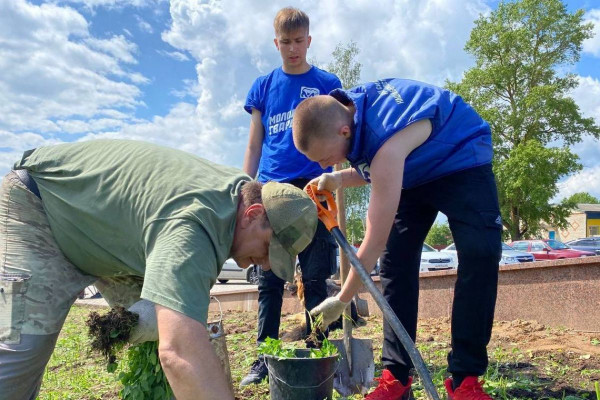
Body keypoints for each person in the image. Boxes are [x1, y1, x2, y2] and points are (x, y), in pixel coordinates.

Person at [0, 139, 318, 400]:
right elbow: (180, 354)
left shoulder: (235, 197)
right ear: (252, 214)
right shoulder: (196, 225)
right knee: (17, 359)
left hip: (108, 239)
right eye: (267, 250)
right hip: (40, 209)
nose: (263, 264)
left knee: (170, 321)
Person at [292, 78, 502, 400]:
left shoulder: (386, 138)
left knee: (480, 254)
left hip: (460, 159)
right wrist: (336, 178)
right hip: (414, 169)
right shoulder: (349, 113)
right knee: (396, 264)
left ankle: (465, 380)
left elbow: (374, 238)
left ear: (343, 132)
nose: (322, 164)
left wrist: (342, 299)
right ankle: (396, 376)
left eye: (323, 159)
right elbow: (375, 168)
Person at [239, 7, 342, 386]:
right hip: (270, 189)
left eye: (299, 41)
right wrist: (242, 185)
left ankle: (317, 352)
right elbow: (254, 143)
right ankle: (265, 357)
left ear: (309, 40)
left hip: (313, 186)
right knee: (268, 278)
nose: (293, 49)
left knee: (315, 277)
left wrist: (332, 181)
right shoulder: (263, 87)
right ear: (276, 43)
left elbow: (339, 134)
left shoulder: (327, 81)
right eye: (285, 42)